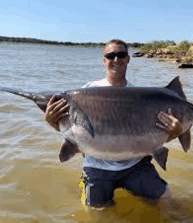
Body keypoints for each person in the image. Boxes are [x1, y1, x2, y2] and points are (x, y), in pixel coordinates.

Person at [44, 39, 183, 209]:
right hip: (97, 166)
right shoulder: (86, 92)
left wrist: (176, 132)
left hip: (134, 164)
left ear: (128, 58)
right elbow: (72, 132)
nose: (116, 59)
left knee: (166, 197)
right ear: (104, 61)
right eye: (111, 56)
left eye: (121, 55)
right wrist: (52, 122)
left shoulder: (139, 96)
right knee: (95, 212)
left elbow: (156, 137)